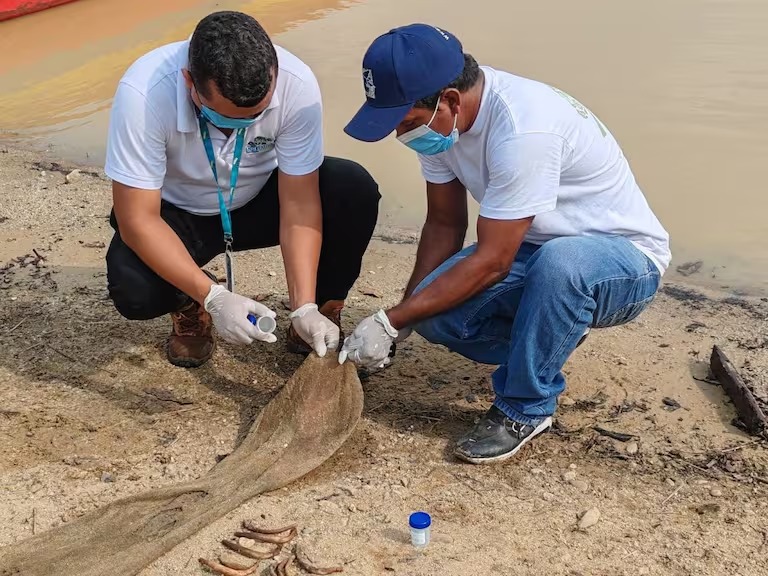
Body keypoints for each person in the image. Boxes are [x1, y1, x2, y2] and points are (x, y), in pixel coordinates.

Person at [339, 24, 671, 465]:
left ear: (450, 100)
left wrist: (390, 319)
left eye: (406, 123)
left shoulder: (523, 130)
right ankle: (554, 330)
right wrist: (401, 319)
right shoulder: (440, 124)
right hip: (534, 249)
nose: (401, 135)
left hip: (621, 260)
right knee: (435, 316)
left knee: (562, 265)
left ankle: (526, 407)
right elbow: (443, 224)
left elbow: (494, 260)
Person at [104, 11, 380, 368]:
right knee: (133, 288)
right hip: (178, 212)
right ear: (189, 81)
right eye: (228, 117)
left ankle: (318, 313)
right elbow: (138, 218)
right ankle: (191, 303)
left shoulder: (296, 84)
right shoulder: (143, 94)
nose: (243, 126)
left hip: (258, 200)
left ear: (274, 73)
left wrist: (304, 304)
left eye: (255, 116)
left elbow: (299, 202)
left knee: (352, 189)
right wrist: (214, 296)